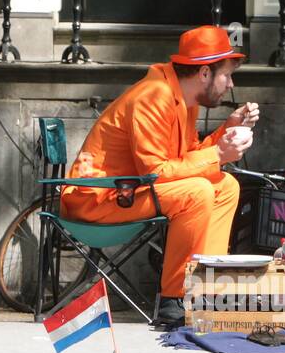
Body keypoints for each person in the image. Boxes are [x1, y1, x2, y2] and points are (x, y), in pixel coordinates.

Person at [61, 25, 259, 327]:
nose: (231, 84)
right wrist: (218, 154)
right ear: (204, 73)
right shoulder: (153, 96)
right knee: (197, 192)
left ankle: (208, 292)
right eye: (227, 75)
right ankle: (175, 299)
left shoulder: (183, 99)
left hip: (129, 192)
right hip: (98, 199)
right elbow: (156, 172)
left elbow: (187, 158)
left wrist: (225, 130)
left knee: (226, 185)